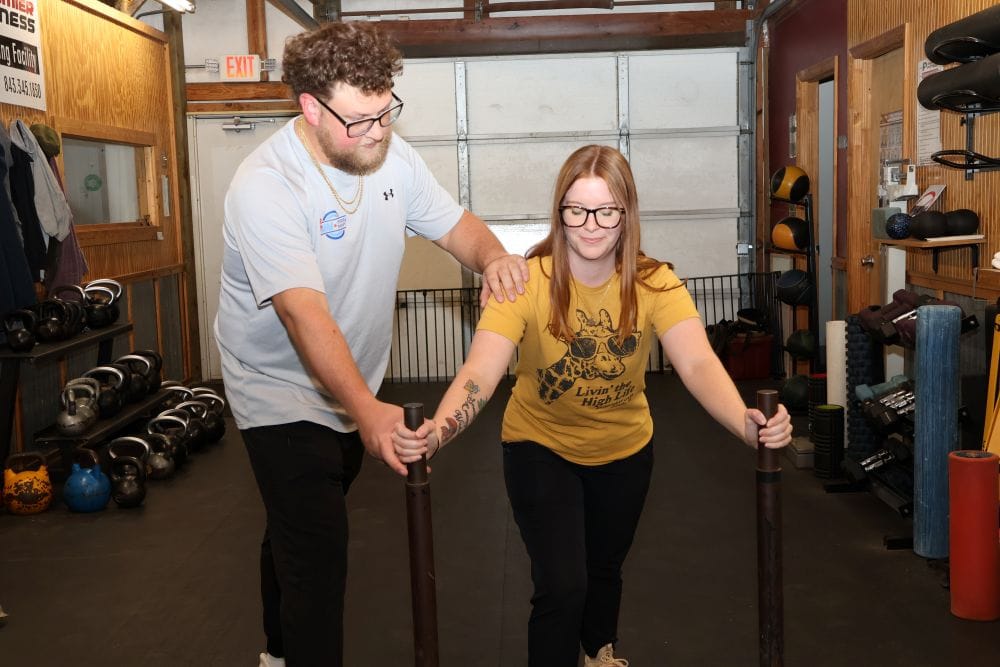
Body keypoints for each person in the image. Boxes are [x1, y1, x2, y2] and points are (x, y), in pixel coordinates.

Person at [391, 144, 793, 667]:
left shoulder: (655, 284)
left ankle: (597, 651)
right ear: (559, 212)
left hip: (625, 450)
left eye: (606, 210)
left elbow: (696, 365)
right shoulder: (525, 283)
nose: (591, 225)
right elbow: (480, 372)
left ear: (627, 214)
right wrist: (438, 432)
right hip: (541, 446)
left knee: (604, 570)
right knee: (561, 584)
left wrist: (745, 423)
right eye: (577, 210)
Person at [214, 21, 528, 667]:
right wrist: (367, 410)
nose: (378, 131)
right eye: (360, 119)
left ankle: (275, 652)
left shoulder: (391, 156)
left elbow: (454, 224)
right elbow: (305, 316)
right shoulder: (266, 185)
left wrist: (493, 255)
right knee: (319, 549)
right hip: (276, 383)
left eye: (387, 112)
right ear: (310, 106)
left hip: (354, 376)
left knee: (296, 526)